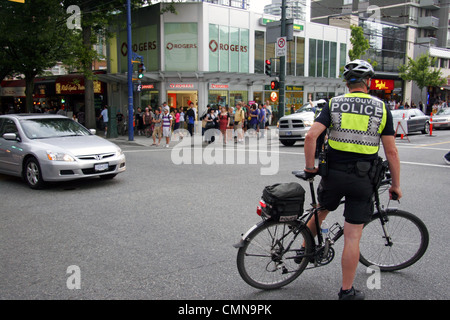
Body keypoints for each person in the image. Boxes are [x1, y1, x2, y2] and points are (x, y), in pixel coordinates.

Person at [303, 59, 401, 300]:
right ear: (368, 82)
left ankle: (304, 251)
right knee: (352, 236)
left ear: (347, 83)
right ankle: (346, 291)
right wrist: (396, 185)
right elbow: (392, 153)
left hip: (333, 174)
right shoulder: (381, 108)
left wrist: (310, 168)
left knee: (320, 211)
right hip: (363, 179)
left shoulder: (334, 104)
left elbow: (311, 137)